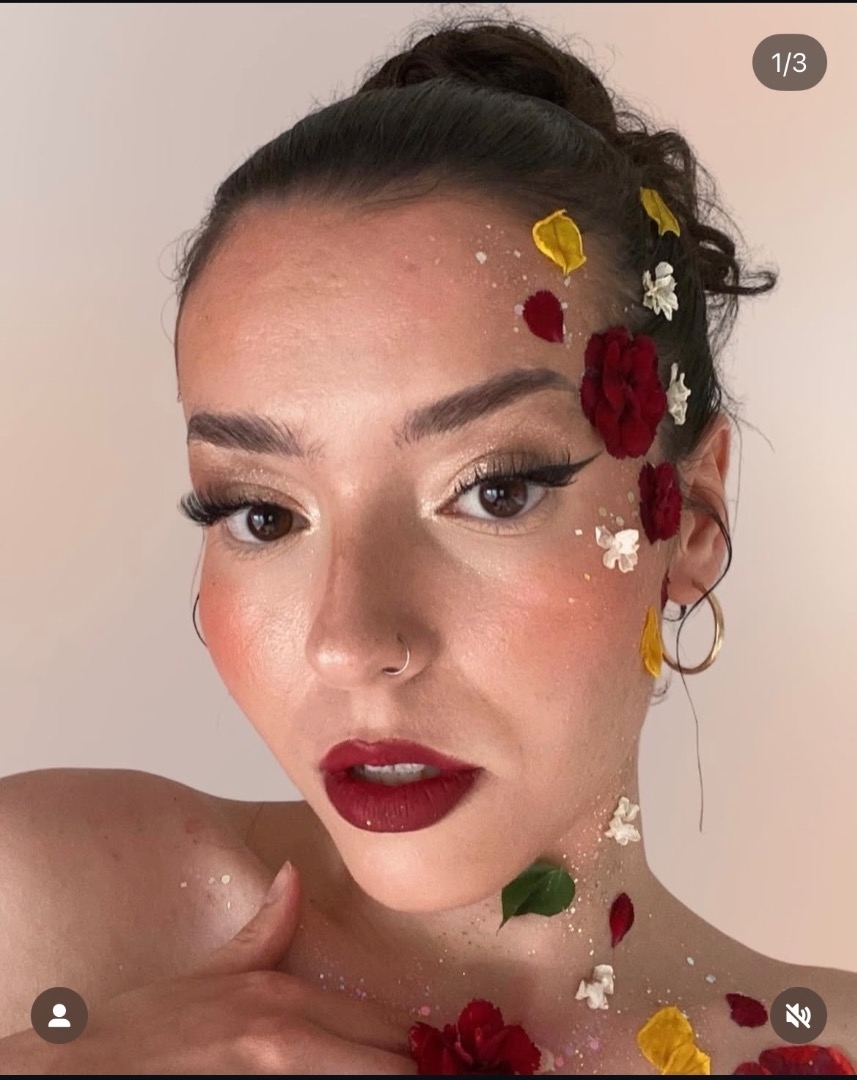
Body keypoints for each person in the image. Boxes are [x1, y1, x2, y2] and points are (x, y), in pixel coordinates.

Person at [1, 16, 854, 1076]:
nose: (349, 641)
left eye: (493, 492)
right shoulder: (52, 915)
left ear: (688, 515)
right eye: (260, 513)